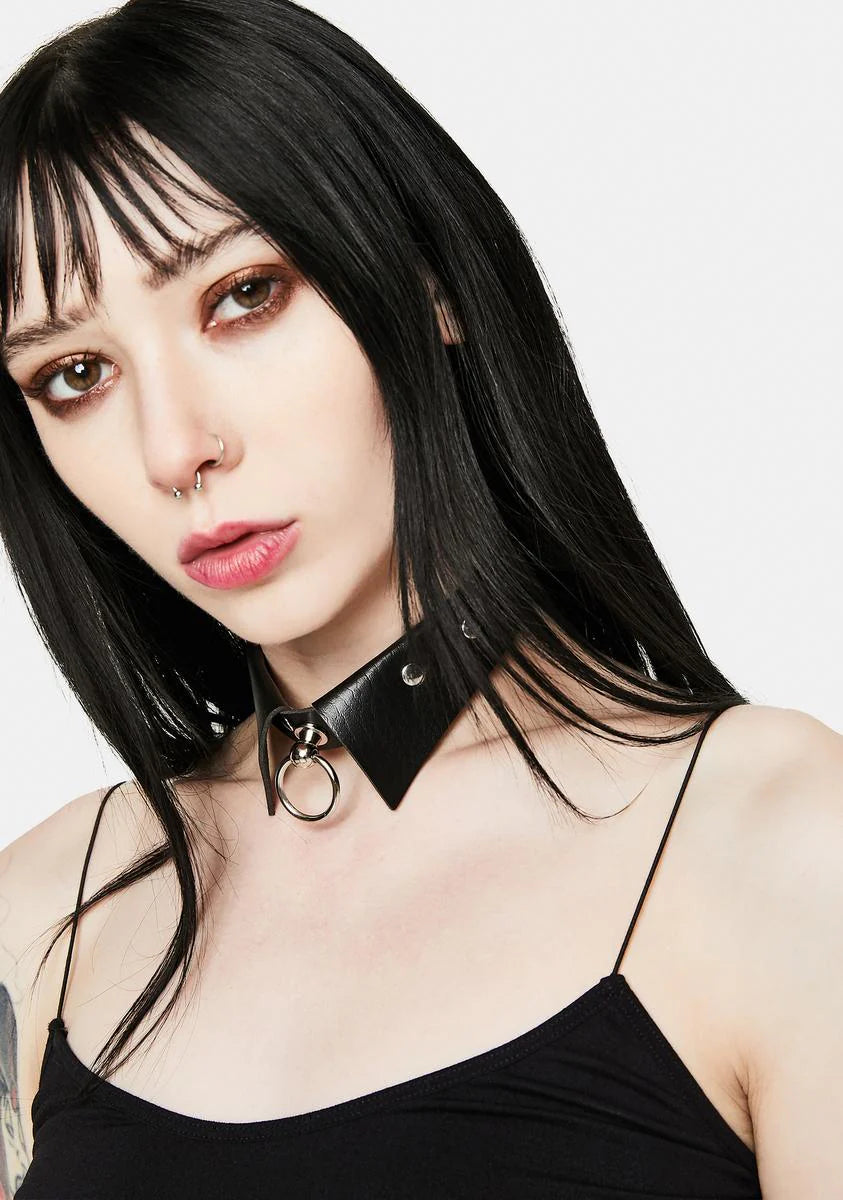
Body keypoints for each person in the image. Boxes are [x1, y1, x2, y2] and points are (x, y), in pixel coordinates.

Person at [0, 1, 839, 1195]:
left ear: (429, 279)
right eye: (76, 373)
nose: (174, 447)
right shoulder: (46, 911)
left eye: (243, 296)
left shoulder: (778, 843)